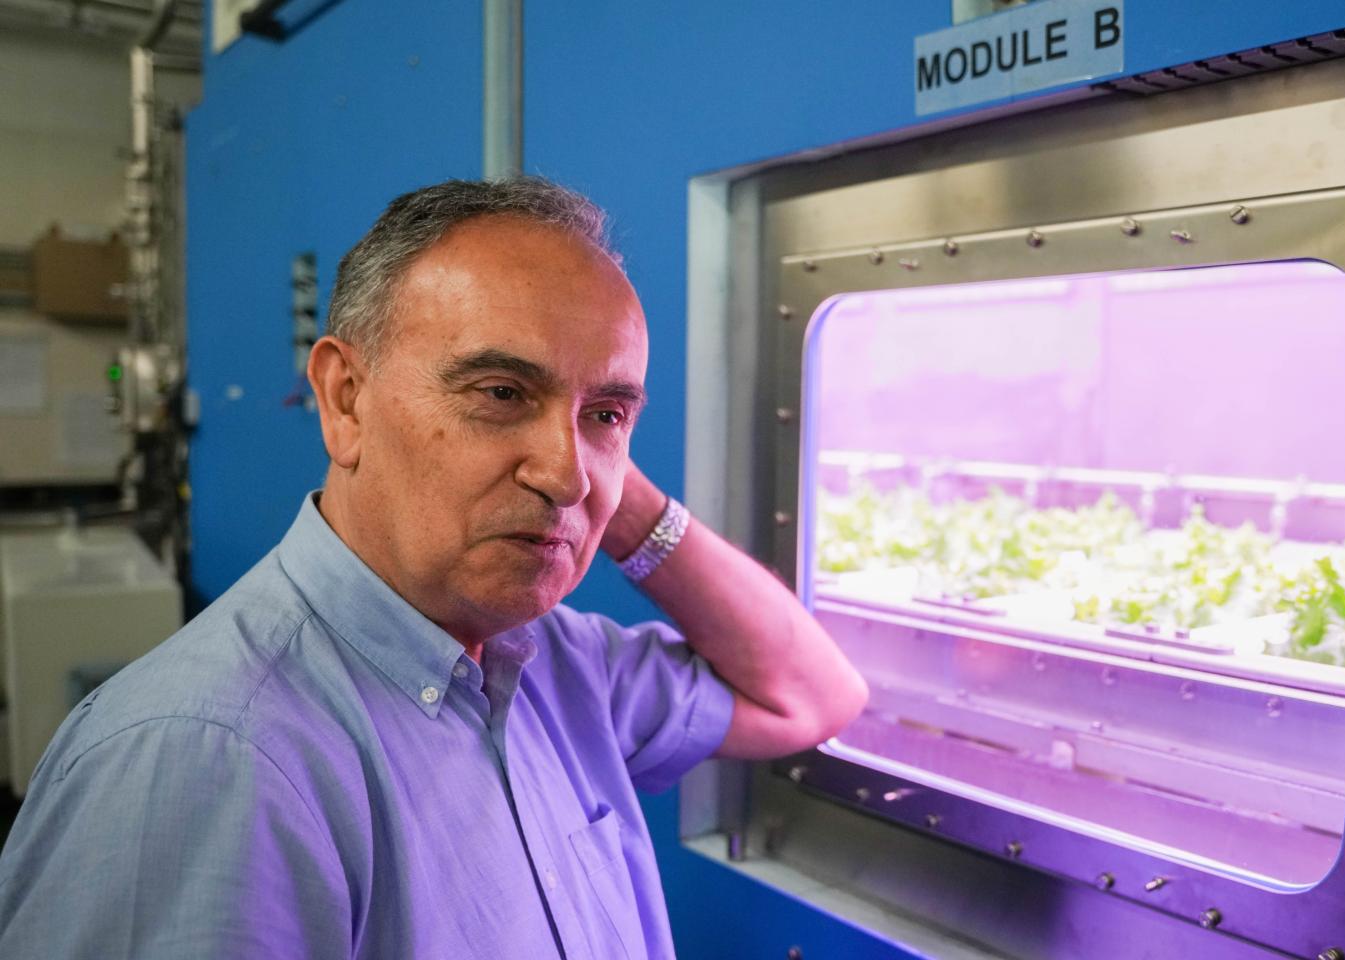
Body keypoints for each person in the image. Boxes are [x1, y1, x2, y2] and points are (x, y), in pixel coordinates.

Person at [0, 177, 868, 959]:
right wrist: (580, 442)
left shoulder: (560, 667)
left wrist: (619, 499)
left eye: (607, 413)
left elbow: (812, 697)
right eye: (501, 393)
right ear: (345, 400)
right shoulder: (204, 762)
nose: (566, 475)